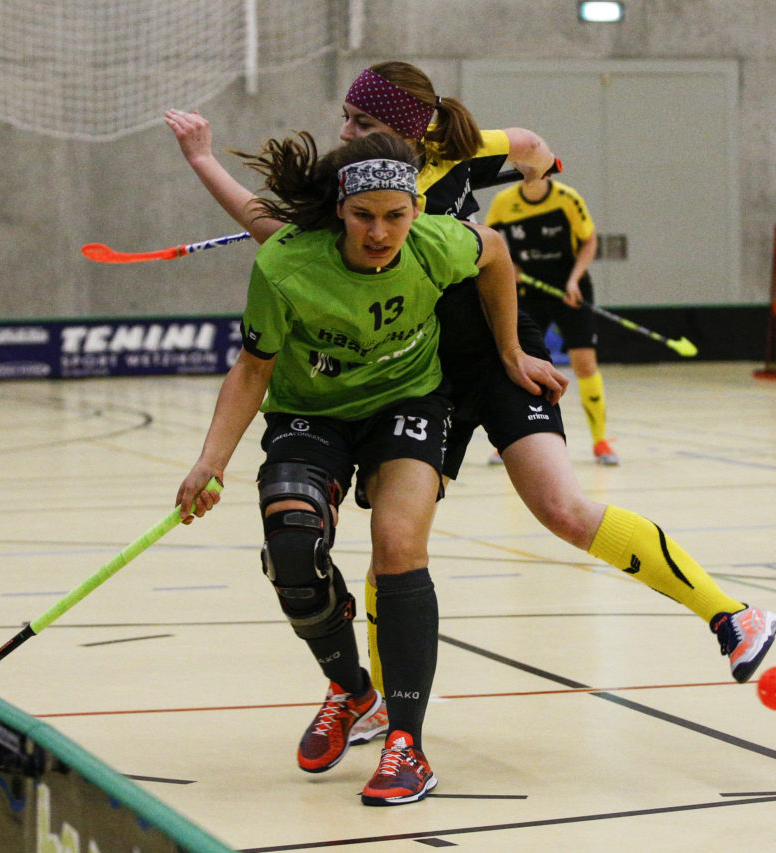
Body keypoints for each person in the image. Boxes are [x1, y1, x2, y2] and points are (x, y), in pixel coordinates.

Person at [165, 59, 776, 756]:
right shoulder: (363, 181)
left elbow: (525, 147)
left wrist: (540, 177)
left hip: (497, 361)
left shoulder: (455, 155)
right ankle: (376, 702)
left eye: (362, 121)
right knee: (395, 547)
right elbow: (268, 227)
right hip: (425, 380)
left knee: (564, 509)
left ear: (409, 126)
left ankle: (731, 615)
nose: (346, 130)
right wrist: (204, 160)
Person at [174, 130, 564, 807]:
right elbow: (253, 369)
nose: (380, 232)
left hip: (408, 401)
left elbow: (496, 254)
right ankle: (352, 687)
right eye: (363, 217)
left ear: (416, 208)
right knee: (291, 545)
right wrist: (211, 461)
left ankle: (406, 745)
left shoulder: (438, 243)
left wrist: (510, 352)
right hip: (310, 411)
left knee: (398, 546)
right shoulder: (287, 265)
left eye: (395, 215)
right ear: (338, 211)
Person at [485, 173, 618, 465]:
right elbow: (486, 239)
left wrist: (574, 280)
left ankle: (600, 441)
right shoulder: (504, 202)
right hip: (528, 291)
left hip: (571, 289)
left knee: (584, 362)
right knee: (520, 361)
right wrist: (508, 265)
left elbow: (589, 241)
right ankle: (509, 440)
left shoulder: (567, 199)